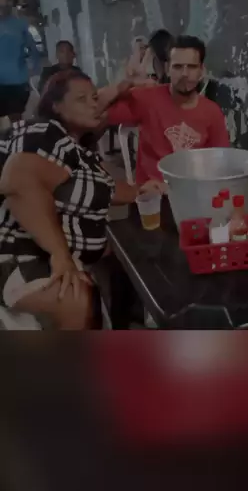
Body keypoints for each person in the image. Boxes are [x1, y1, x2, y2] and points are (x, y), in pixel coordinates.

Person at [0, 70, 162, 330]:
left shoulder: (74, 149)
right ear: (55, 105)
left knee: (125, 254)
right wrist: (60, 255)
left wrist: (139, 190)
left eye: (94, 98)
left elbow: (96, 187)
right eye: (81, 99)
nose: (93, 104)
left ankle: (125, 321)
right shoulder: (42, 131)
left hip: (71, 251)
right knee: (76, 297)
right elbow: (17, 179)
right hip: (20, 252)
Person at [98, 36, 230, 186]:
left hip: (194, 192)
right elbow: (96, 108)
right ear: (167, 69)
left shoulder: (212, 112)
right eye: (178, 67)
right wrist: (128, 83)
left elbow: (221, 163)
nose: (185, 73)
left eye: (192, 67)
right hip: (152, 193)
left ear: (201, 70)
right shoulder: (147, 99)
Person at [0, 0, 41, 124]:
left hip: (17, 81)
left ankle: (15, 136)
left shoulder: (20, 24)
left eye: (8, 0)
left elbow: (33, 50)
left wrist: (33, 71)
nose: (5, 4)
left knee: (16, 118)